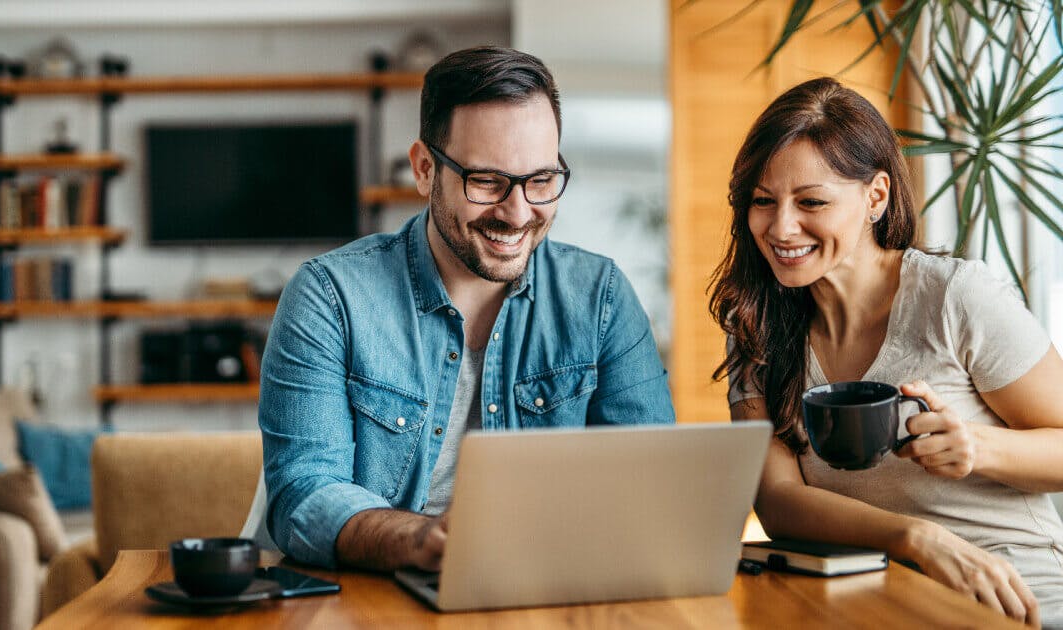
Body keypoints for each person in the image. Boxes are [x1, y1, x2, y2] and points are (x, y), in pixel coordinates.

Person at [251, 46, 676, 572]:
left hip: (550, 584)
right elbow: (304, 496)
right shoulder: (330, 297)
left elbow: (652, 482)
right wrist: (420, 540)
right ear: (425, 169)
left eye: (540, 180)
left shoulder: (601, 298)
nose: (518, 213)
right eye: (487, 182)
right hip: (380, 592)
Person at [711, 76, 1063, 627]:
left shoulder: (954, 297)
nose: (781, 227)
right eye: (762, 201)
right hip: (875, 591)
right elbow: (778, 502)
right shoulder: (754, 325)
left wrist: (977, 447)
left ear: (876, 196)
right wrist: (918, 539)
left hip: (1012, 589)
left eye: (811, 202)